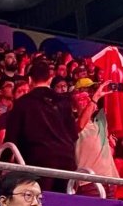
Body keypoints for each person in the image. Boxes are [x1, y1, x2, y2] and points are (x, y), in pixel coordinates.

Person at [5, 57, 79, 188]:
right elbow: (73, 135)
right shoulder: (64, 102)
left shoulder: (23, 103)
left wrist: (1, 164)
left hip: (38, 162)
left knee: (40, 203)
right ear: (50, 80)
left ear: (29, 80)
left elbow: (11, 138)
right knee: (62, 205)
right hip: (67, 162)